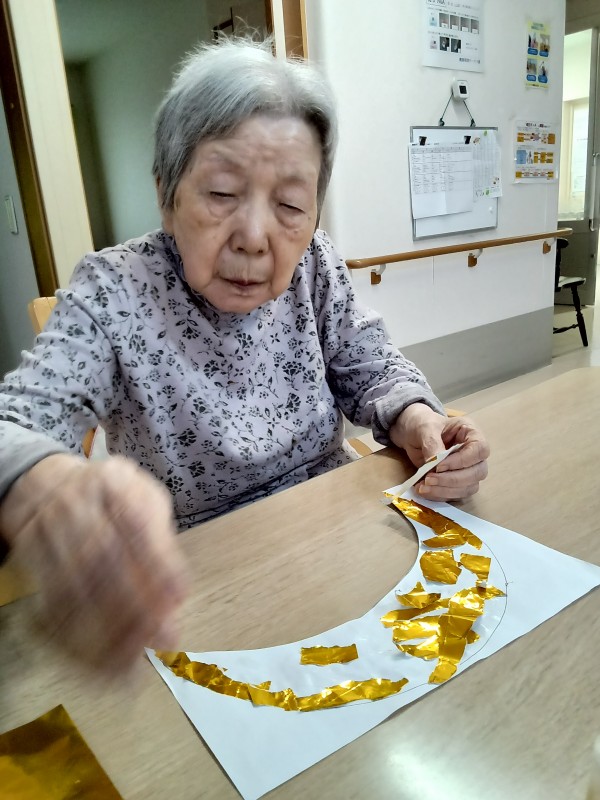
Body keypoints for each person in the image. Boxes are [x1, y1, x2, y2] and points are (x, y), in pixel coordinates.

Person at [0, 38, 489, 673]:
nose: (256, 238)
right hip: (193, 574)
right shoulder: (114, 289)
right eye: (223, 192)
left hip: (334, 528)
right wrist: (41, 484)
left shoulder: (315, 263)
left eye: (290, 205)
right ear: (166, 194)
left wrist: (419, 419)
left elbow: (369, 362)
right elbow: (15, 422)